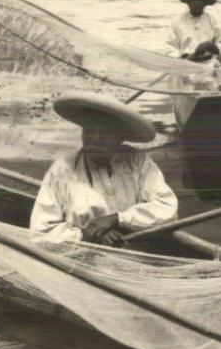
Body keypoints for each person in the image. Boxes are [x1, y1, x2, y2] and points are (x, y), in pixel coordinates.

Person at [30, 93, 178, 246]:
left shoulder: (137, 161)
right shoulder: (63, 170)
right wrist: (86, 235)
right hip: (79, 258)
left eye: (105, 133)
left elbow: (168, 210)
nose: (95, 139)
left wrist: (116, 220)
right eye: (90, 131)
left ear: (120, 137)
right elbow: (41, 234)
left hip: (134, 252)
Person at [168, 0, 221, 64]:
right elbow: (169, 46)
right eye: (193, 0)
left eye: (200, 0)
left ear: (205, 3)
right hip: (184, 62)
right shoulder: (177, 20)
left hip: (208, 61)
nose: (196, 3)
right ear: (188, 2)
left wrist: (213, 46)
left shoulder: (211, 20)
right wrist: (181, 58)